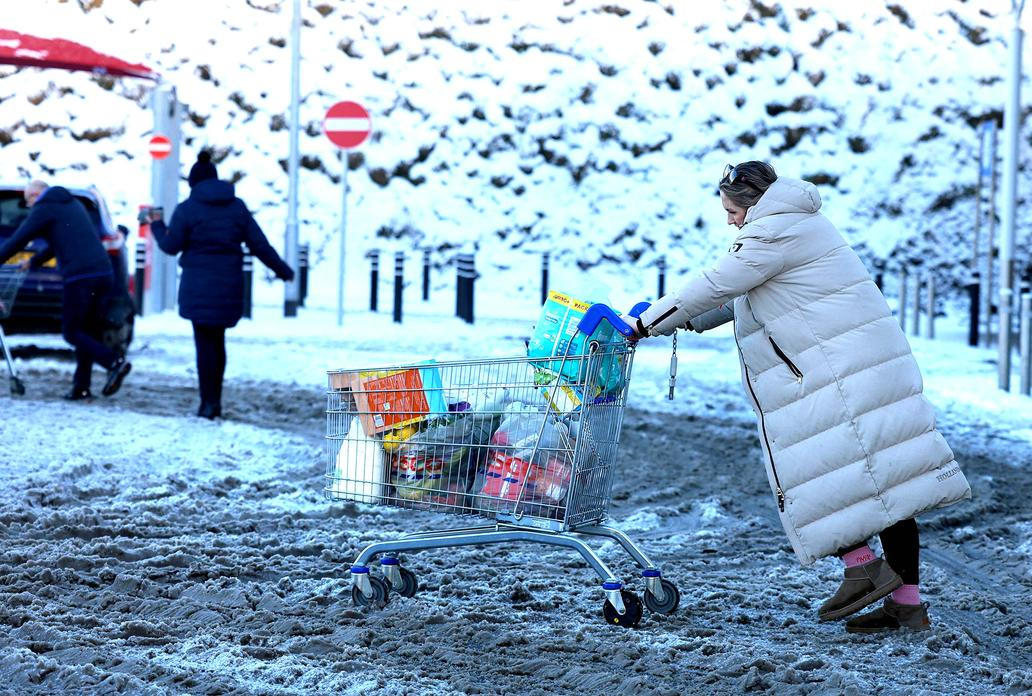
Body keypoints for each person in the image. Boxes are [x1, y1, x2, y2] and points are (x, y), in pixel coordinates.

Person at [632, 161, 972, 633]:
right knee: (888, 486)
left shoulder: (771, 232)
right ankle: (906, 605)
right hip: (859, 367)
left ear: (752, 202)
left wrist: (644, 323)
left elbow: (716, 283)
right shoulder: (797, 224)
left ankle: (862, 567)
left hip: (837, 375)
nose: (729, 220)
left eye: (732, 211)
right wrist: (685, 319)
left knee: (817, 472)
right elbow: (739, 296)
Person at [149, 151, 294, 419]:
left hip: (197, 288)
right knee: (218, 342)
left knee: (204, 344)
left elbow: (170, 246)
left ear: (193, 183)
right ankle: (215, 400)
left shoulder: (187, 209)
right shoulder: (236, 207)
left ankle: (208, 403)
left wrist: (156, 226)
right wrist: (283, 270)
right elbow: (259, 244)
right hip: (229, 287)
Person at [0, 180, 131, 399]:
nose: (28, 206)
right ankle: (81, 387)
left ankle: (114, 362)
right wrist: (33, 262)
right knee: (87, 331)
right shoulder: (73, 204)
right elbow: (58, 243)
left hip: (80, 277)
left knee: (71, 332)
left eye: (28, 200)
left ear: (36, 195)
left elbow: (18, 240)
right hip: (103, 273)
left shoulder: (44, 207)